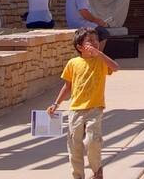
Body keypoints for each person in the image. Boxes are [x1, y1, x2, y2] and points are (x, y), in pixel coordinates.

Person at [48, 27, 120, 179]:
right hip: (75, 110)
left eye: (96, 41)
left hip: (95, 108)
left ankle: (96, 171)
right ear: (80, 47)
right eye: (90, 41)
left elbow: (115, 67)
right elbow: (67, 86)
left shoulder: (101, 61)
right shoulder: (73, 63)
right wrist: (56, 104)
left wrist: (99, 54)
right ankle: (78, 175)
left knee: (93, 140)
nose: (94, 43)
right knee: (75, 146)